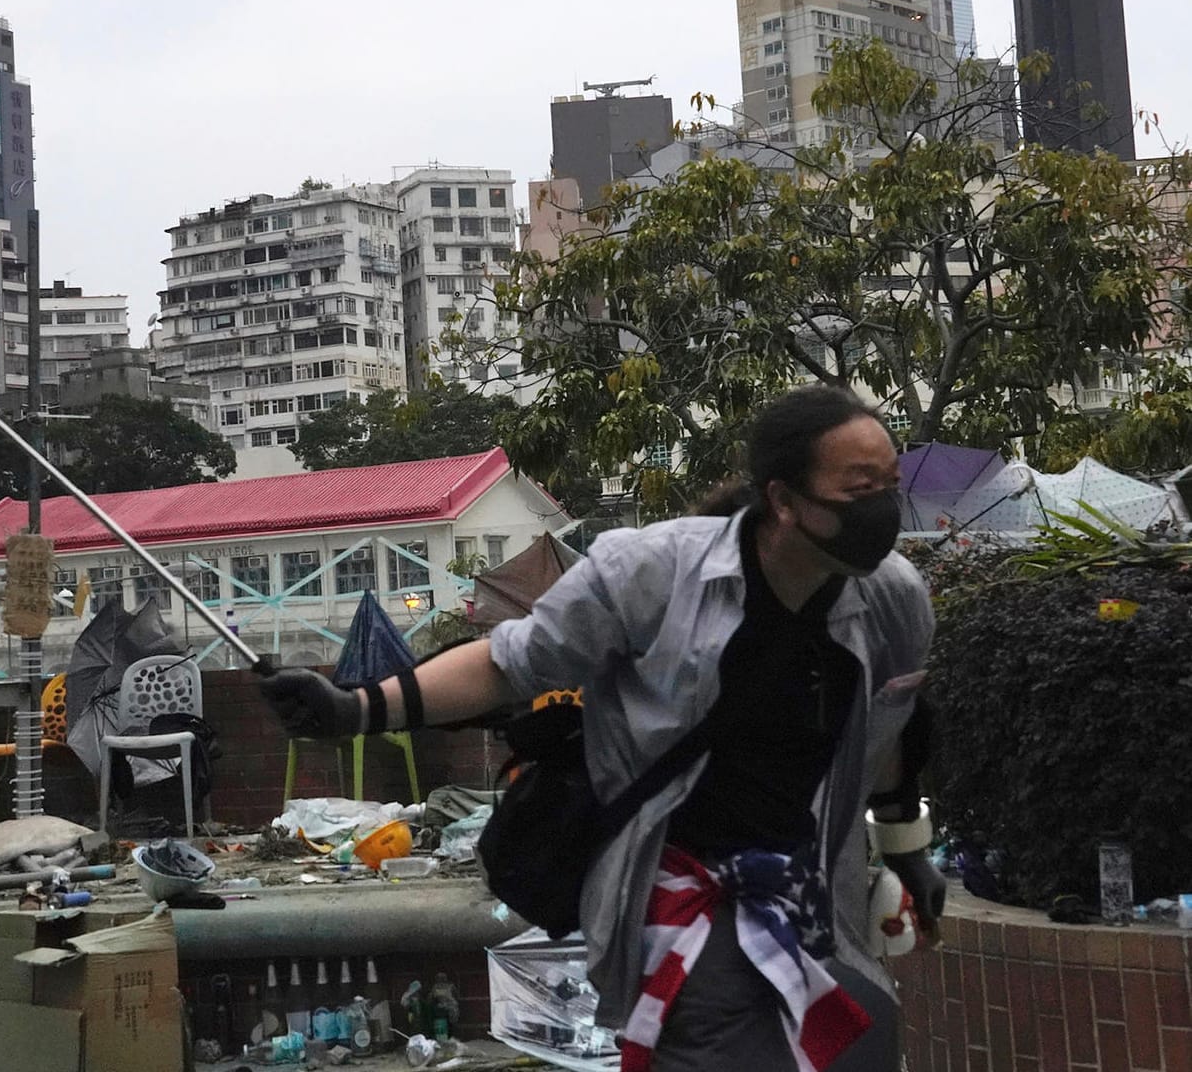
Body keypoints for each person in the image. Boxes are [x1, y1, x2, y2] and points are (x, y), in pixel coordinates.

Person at [261, 385, 944, 1070]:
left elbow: (889, 735)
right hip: (680, 893)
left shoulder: (891, 601)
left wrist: (907, 850)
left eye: (890, 482)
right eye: (859, 488)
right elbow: (509, 664)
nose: (881, 508)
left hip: (811, 894)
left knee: (862, 1042)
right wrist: (355, 708)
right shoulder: (653, 574)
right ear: (783, 500)